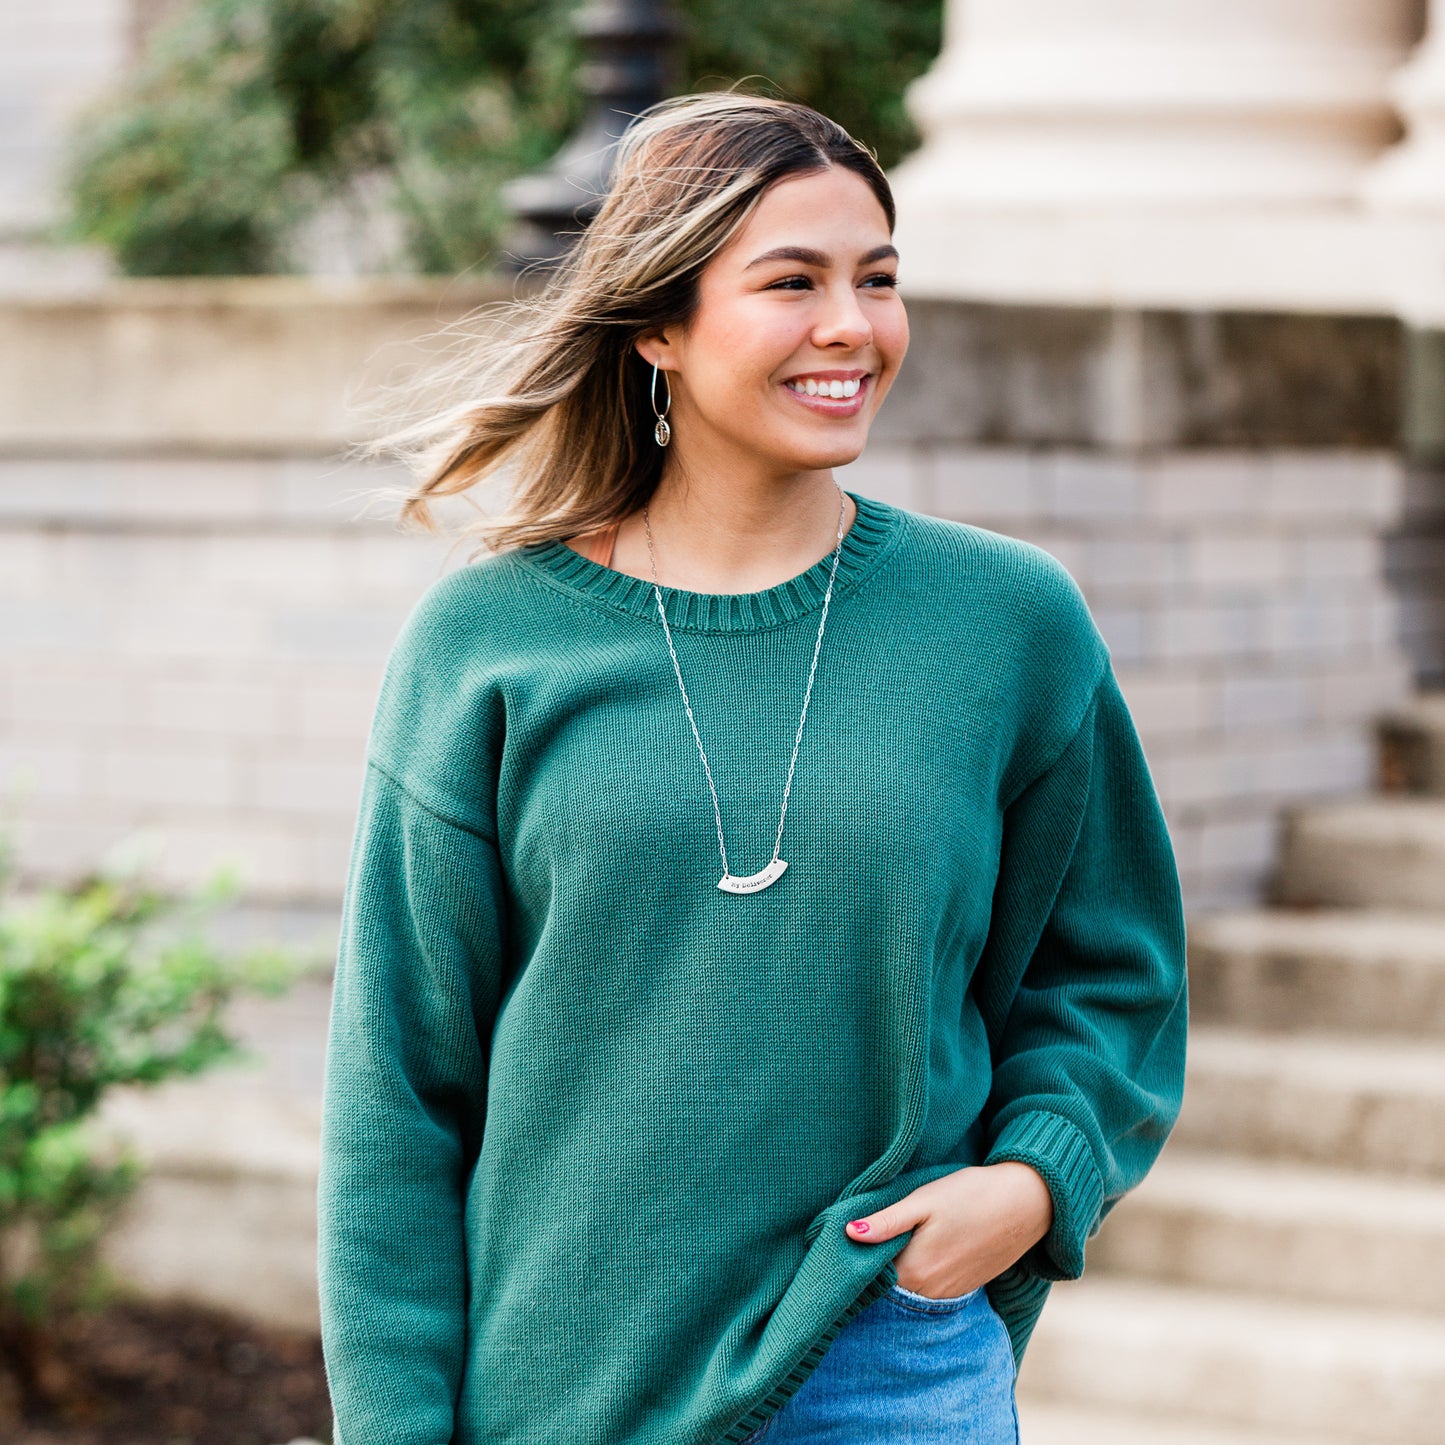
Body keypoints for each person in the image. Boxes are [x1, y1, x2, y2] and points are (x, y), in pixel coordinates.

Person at [316, 91, 1188, 1445]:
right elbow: (400, 1094)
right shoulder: (487, 643)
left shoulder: (1005, 624)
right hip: (561, 1393)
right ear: (657, 326)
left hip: (883, 1359)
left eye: (876, 279)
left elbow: (1110, 970)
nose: (851, 325)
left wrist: (1029, 1180)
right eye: (792, 282)